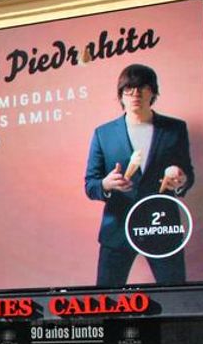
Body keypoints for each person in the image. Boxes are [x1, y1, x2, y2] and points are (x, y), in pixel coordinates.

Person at [84, 63, 195, 287]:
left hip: (162, 226)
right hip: (117, 230)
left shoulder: (175, 128)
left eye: (142, 87)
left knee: (177, 297)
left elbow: (188, 174)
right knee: (106, 301)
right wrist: (106, 184)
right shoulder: (103, 133)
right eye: (129, 88)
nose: (135, 94)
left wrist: (181, 180)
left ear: (153, 92)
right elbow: (90, 184)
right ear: (121, 95)